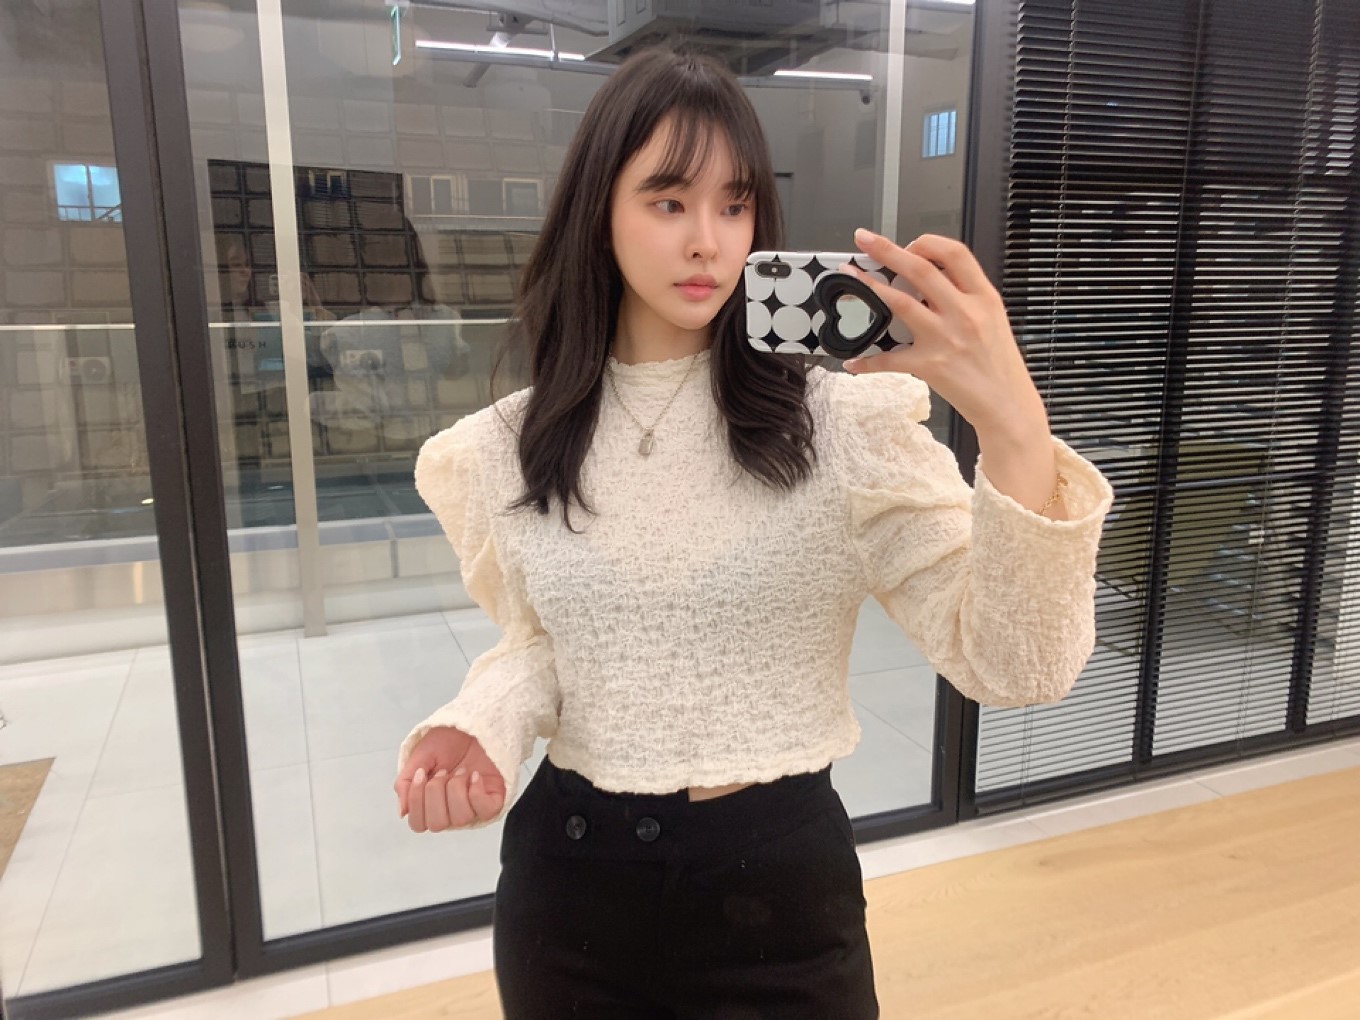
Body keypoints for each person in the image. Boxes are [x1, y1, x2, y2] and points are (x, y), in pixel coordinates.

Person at [393, 47, 1113, 1019]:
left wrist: (1014, 426)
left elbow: (1018, 665)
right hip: (569, 895)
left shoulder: (842, 429)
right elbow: (548, 649)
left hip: (776, 897)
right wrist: (478, 722)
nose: (707, 241)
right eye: (668, 201)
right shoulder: (509, 445)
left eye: (733, 205)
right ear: (598, 211)